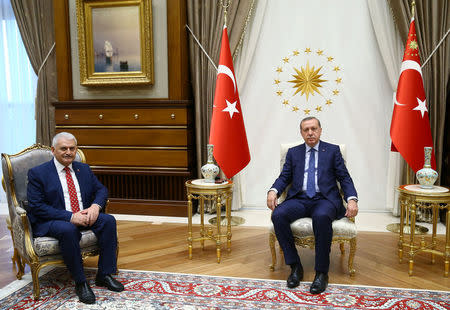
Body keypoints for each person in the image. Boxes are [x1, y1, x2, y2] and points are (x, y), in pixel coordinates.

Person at [27, 132, 124, 304]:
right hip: (54, 220)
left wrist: (96, 206)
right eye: (63, 148)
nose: (68, 152)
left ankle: (104, 274)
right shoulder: (38, 173)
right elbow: (37, 206)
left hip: (84, 215)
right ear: (53, 150)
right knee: (68, 229)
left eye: (72, 148)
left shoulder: (83, 169)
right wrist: (70, 217)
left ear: (76, 149)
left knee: (108, 220)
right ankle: (81, 282)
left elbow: (101, 190)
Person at [267, 117, 358, 294]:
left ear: (320, 130)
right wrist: (273, 191)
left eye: (313, 129)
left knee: (322, 217)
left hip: (325, 199)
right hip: (299, 199)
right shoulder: (293, 153)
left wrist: (352, 199)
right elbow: (284, 177)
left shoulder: (332, 151)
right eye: (306, 130)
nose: (310, 133)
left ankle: (322, 273)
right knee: (278, 215)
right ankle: (295, 267)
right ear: (301, 132)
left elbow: (344, 178)